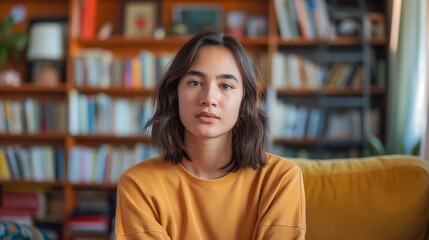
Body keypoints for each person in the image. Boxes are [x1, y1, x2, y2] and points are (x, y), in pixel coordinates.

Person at [115, 30, 306, 239]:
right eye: (195, 82)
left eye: (226, 85)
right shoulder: (138, 184)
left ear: (245, 101)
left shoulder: (280, 180)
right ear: (174, 94)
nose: (209, 98)